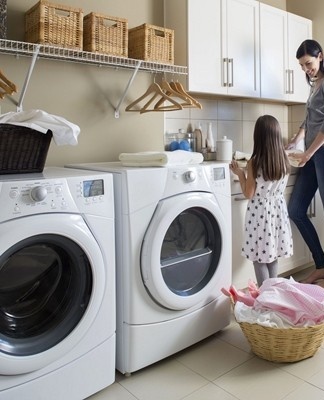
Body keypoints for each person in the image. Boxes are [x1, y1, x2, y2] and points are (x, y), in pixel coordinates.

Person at [230, 115, 293, 287]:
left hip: (260, 215)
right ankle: (274, 295)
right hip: (277, 212)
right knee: (271, 256)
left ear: (258, 137)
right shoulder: (284, 159)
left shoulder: (255, 162)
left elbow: (249, 193)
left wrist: (241, 174)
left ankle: (266, 298)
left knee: (259, 259)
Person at [287, 39, 324, 284]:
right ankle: (321, 264)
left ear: (320, 56)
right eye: (302, 66)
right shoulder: (314, 85)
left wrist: (308, 153)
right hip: (310, 154)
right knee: (296, 210)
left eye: (308, 63)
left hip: (319, 153)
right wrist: (296, 139)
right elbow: (310, 118)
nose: (306, 69)